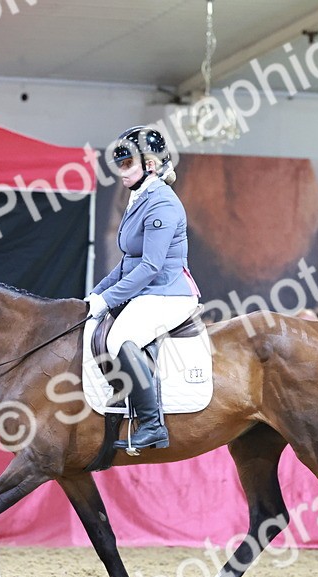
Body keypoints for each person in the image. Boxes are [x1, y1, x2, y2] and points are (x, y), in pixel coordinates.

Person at [87, 126, 200, 453]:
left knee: (120, 337)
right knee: (101, 328)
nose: (120, 172)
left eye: (126, 165)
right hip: (150, 289)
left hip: (169, 292)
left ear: (149, 165)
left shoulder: (161, 204)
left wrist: (109, 299)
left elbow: (150, 266)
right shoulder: (139, 198)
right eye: (119, 165)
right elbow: (127, 262)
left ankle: (152, 425)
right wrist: (97, 294)